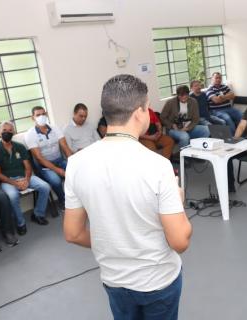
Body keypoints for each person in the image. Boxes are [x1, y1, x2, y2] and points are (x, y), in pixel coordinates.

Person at [63, 74, 192, 320]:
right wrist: (179, 201)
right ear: (138, 112)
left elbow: (73, 233)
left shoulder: (76, 164)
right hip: (158, 281)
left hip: (114, 280)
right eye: (146, 107)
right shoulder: (157, 165)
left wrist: (117, 245)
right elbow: (180, 241)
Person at [0, 121, 51, 235]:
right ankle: (20, 223)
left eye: (10, 131)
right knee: (13, 196)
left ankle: (38, 214)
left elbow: (28, 167)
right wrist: (15, 183)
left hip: (24, 177)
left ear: (14, 132)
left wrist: (26, 180)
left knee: (45, 187)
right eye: (4, 131)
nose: (7, 133)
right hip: (7, 181)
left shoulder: (20, 147)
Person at [24, 106, 72, 211]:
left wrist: (74, 163)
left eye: (43, 114)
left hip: (59, 160)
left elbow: (65, 146)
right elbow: (39, 158)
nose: (41, 116)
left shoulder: (55, 128)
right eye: (38, 115)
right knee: (56, 181)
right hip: (43, 166)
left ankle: (77, 198)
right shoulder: (30, 135)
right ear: (33, 118)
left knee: (75, 172)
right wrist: (58, 170)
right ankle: (63, 201)